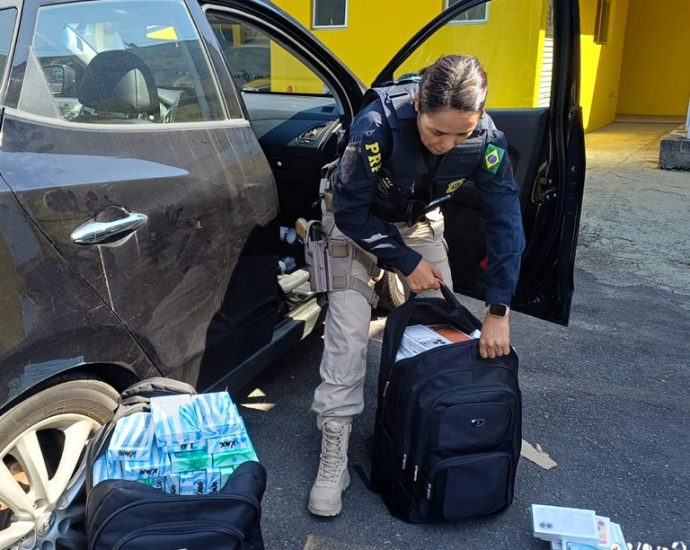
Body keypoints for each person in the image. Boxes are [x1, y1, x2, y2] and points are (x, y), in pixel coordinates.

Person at [307, 54, 526, 517]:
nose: (447, 145)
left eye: (461, 134)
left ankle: (418, 424)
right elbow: (350, 212)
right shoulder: (376, 126)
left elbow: (506, 221)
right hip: (355, 225)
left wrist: (498, 310)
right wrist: (405, 263)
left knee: (443, 329)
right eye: (436, 132)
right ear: (419, 105)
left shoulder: (487, 140)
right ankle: (334, 450)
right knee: (348, 332)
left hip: (417, 224)